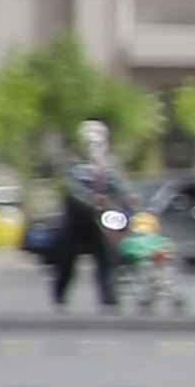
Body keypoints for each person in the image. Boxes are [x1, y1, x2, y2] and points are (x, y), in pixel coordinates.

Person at [41, 119, 132, 312]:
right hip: (76, 216)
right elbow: (71, 187)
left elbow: (119, 185)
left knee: (106, 257)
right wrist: (91, 199)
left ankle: (109, 298)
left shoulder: (109, 164)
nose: (94, 144)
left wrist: (128, 198)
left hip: (99, 218)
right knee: (66, 258)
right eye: (89, 140)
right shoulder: (74, 163)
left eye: (98, 139)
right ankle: (60, 296)